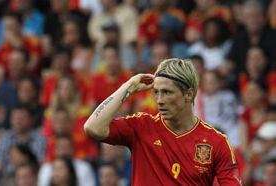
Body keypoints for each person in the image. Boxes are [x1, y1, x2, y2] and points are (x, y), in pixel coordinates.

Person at [84, 58, 241, 185]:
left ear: (188, 94)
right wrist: (128, 87)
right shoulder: (141, 126)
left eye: (166, 92)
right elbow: (93, 127)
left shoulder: (217, 142)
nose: (159, 100)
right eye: (156, 92)